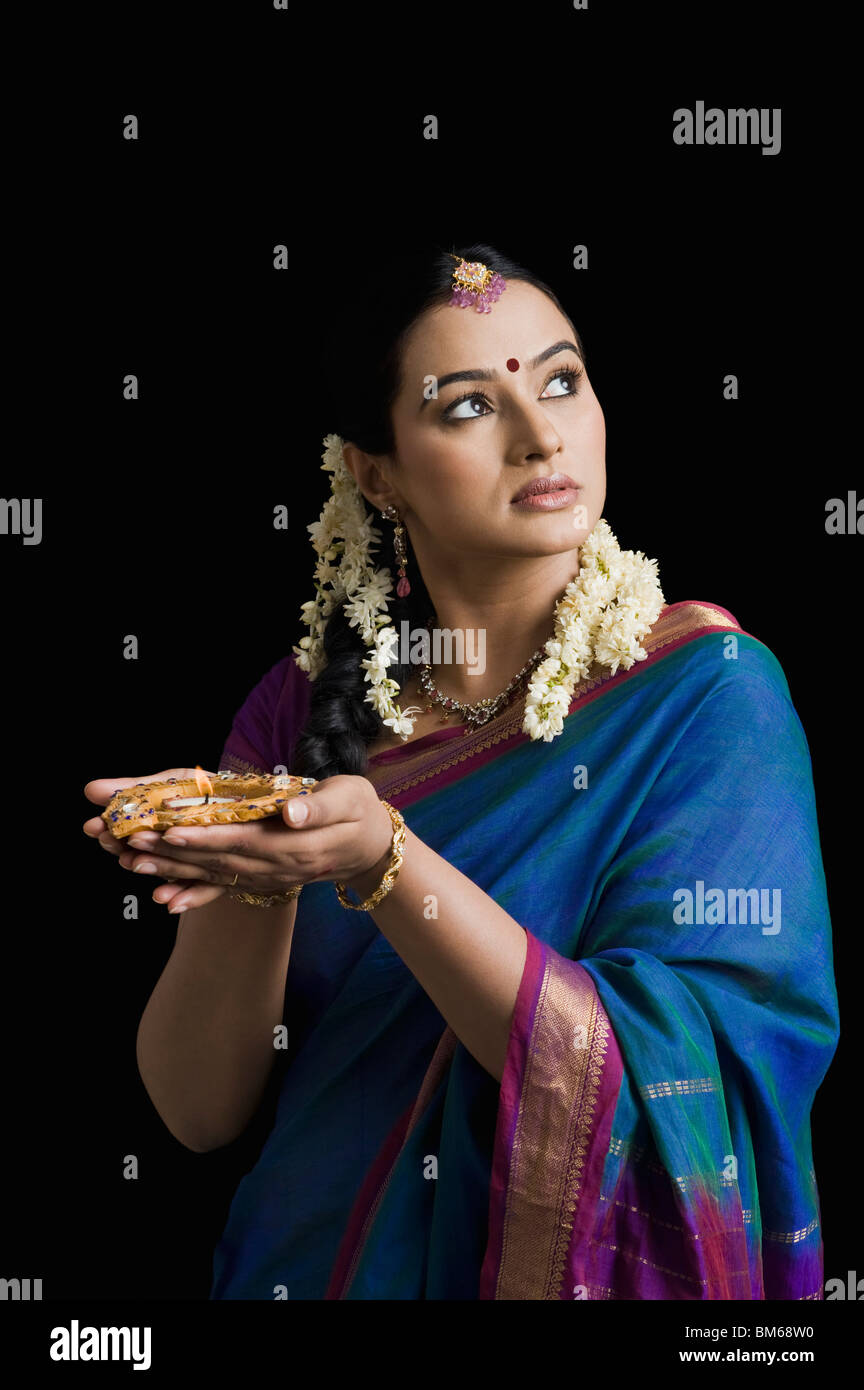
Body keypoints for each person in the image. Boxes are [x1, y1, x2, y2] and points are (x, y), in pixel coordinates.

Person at [84, 245, 838, 1300]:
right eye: (470, 407)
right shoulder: (305, 713)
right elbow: (199, 1111)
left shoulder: (706, 693)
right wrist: (259, 873)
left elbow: (691, 1074)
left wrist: (386, 861)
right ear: (373, 469)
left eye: (562, 381)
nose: (541, 437)